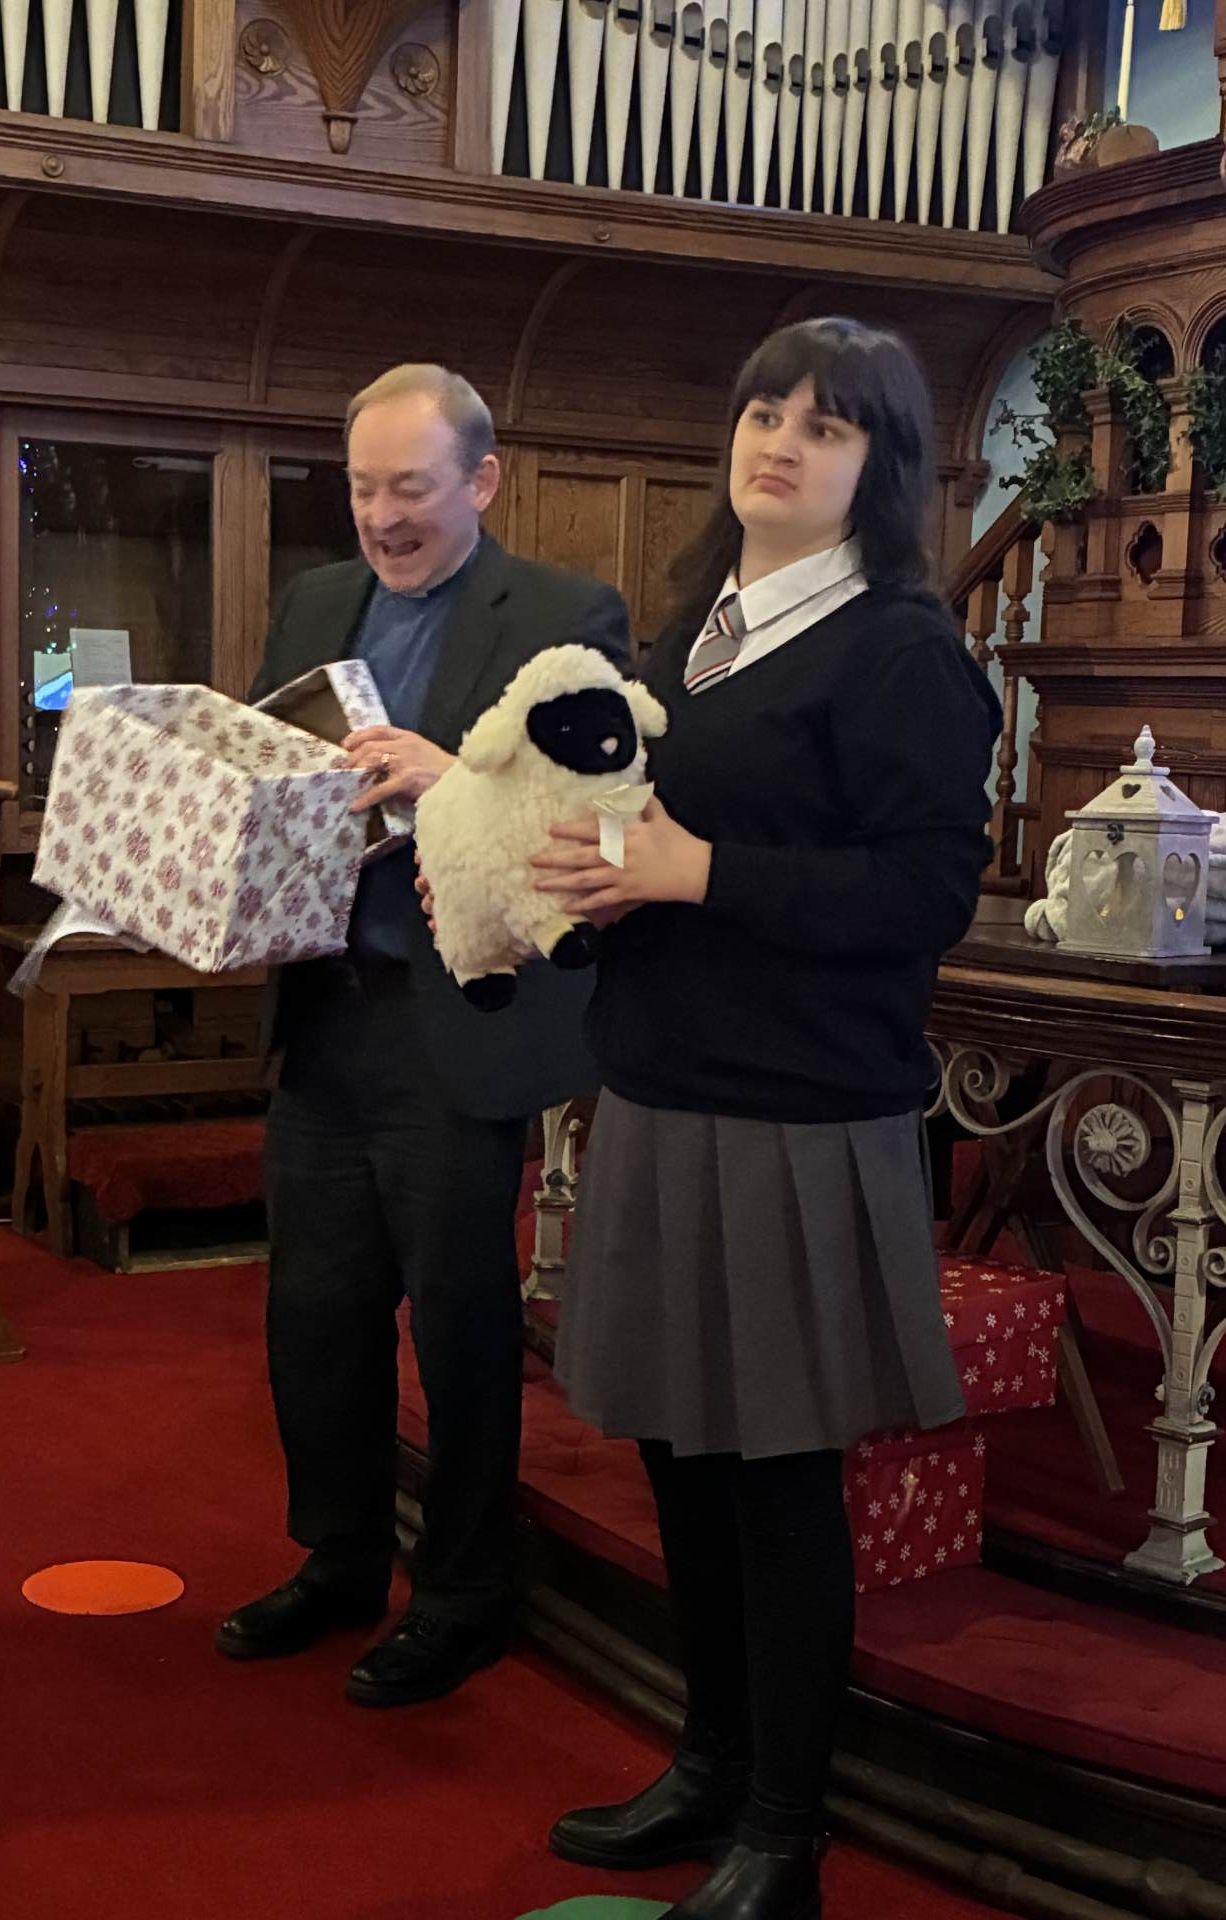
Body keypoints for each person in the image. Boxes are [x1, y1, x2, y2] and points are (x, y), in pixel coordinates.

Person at [529, 319, 1002, 1919]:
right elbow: (649, 847)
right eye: (763, 411)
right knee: (679, 1455)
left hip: (797, 1114)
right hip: (662, 1085)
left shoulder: (900, 651)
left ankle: (785, 1832)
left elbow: (925, 896)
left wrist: (699, 873)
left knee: (779, 1483)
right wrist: (585, 892)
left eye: (827, 425)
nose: (780, 442)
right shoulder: (694, 635)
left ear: (883, 466)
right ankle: (710, 1763)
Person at [217, 364, 630, 1708]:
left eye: (410, 487)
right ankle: (339, 1560)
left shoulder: (565, 618)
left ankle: (461, 1597)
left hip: (460, 1018)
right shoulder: (314, 603)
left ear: (482, 481)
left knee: (457, 1326)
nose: (382, 516)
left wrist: (447, 779)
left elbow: (600, 823)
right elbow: (268, 779)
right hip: (325, 1008)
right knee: (316, 1314)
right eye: (361, 488)